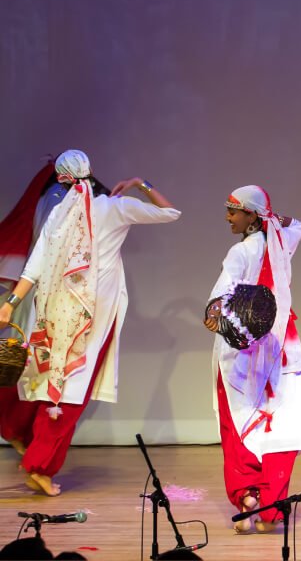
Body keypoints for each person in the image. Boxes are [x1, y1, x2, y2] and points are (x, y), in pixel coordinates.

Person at [0, 151, 179, 496]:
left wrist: (10, 304)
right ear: (91, 173)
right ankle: (39, 466)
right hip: (91, 316)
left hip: (54, 312)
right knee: (70, 393)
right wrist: (140, 184)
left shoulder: (56, 216)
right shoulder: (114, 207)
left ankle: (36, 459)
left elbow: (33, 269)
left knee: (53, 387)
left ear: (61, 179)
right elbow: (170, 212)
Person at [206, 185, 301, 533]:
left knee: (239, 421)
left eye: (233, 211)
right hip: (279, 345)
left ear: (250, 216)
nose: (228, 217)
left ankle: (247, 496)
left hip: (241, 349)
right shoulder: (281, 242)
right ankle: (272, 507)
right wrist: (275, 219)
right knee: (280, 422)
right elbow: (299, 225)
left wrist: (212, 316)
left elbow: (219, 300)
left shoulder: (240, 252)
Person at [0, 159, 70, 451]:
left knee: (39, 365)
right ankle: (17, 429)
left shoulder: (54, 196)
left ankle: (21, 431)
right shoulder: (58, 197)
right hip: (46, 291)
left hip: (46, 290)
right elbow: (49, 249)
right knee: (37, 365)